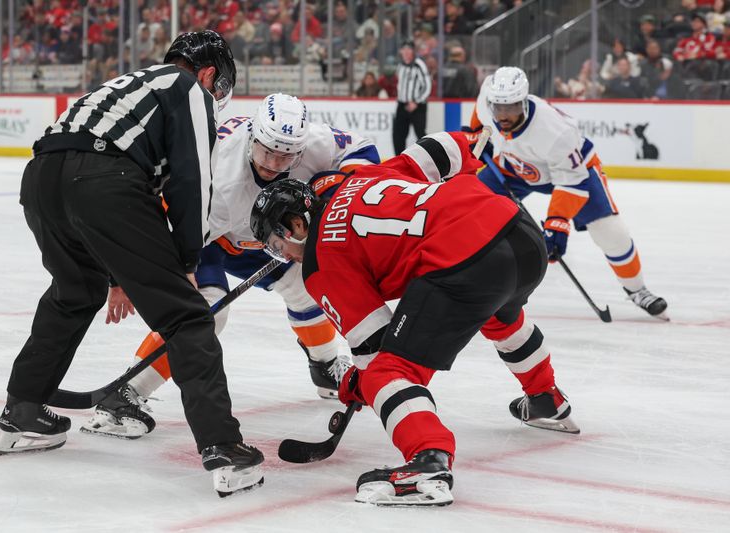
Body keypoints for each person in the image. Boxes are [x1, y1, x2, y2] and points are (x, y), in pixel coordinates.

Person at [0, 30, 264, 498]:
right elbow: (190, 180)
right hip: (104, 181)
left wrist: (119, 275)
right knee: (186, 316)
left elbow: (93, 165)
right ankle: (223, 447)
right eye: (218, 88)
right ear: (207, 74)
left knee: (73, 291)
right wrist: (185, 261)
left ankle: (22, 413)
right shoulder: (189, 91)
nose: (215, 97)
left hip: (41, 178)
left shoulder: (129, 84)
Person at [249, 131, 580, 506]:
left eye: (277, 247)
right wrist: (474, 152)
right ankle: (545, 398)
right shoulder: (366, 176)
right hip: (519, 231)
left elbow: (374, 346)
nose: (285, 256)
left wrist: (357, 384)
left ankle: (429, 460)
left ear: (295, 223)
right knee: (499, 316)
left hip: (467, 260)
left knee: (387, 374)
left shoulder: (320, 262)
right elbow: (444, 148)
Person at [80, 93, 381, 439]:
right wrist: (143, 276)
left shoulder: (313, 141)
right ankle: (127, 392)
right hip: (202, 235)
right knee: (203, 312)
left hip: (261, 232)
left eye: (286, 156)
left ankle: (325, 365)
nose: (274, 163)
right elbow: (175, 230)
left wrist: (336, 190)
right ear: (253, 136)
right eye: (267, 151)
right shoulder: (223, 176)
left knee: (305, 283)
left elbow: (363, 151)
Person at [468, 66, 668, 318]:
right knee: (470, 207)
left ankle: (638, 291)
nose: (504, 115)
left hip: (574, 172)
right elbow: (479, 117)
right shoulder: (489, 94)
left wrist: (556, 225)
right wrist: (475, 137)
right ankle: (465, 277)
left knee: (611, 233)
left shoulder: (556, 131)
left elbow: (571, 182)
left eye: (512, 108)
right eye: (499, 107)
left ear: (525, 102)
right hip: (515, 166)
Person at [393, 40, 432, 155]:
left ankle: (426, 159)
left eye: (408, 49)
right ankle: (399, 160)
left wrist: (416, 102)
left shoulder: (419, 65)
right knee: (398, 135)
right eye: (403, 49)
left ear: (413, 51)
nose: (406, 52)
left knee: (420, 134)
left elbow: (427, 85)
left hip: (417, 106)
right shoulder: (400, 66)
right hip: (402, 105)